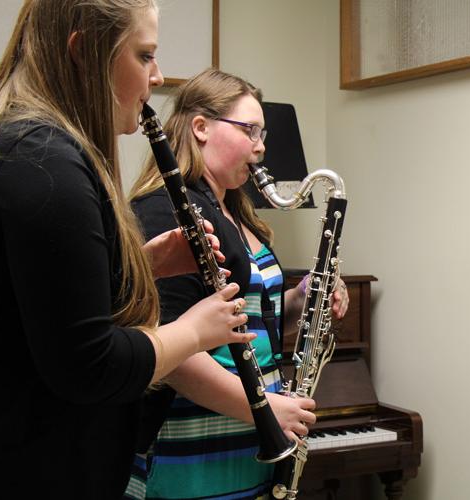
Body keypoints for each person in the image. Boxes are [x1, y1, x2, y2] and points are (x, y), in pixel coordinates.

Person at [0, 2, 254, 499]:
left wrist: (145, 267)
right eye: (144, 55)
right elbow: (92, 366)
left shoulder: (28, 145)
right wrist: (195, 331)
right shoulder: (43, 162)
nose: (157, 77)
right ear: (84, 51)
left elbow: (30, 301)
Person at [123, 68, 350, 500]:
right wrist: (264, 411)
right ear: (201, 127)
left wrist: (303, 299)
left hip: (248, 437)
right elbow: (170, 352)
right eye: (250, 131)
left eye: (262, 134)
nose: (261, 147)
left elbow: (244, 321)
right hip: (191, 444)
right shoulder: (164, 210)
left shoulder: (237, 214)